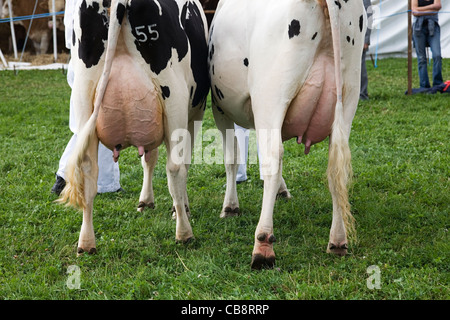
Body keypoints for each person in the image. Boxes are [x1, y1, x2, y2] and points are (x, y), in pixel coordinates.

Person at [51, 0, 121, 195]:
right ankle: (71, 176)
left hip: (81, 51)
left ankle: (69, 175)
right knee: (100, 116)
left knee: (88, 117)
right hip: (93, 52)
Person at [411, 0, 443, 90]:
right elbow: (414, 11)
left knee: (437, 55)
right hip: (418, 28)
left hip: (433, 26)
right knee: (421, 58)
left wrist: (420, 10)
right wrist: (432, 9)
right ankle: (424, 85)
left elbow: (438, 6)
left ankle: (438, 84)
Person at [360, 0, 372, 100]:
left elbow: (369, 16)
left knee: (360, 66)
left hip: (359, 36)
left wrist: (366, 39)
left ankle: (362, 94)